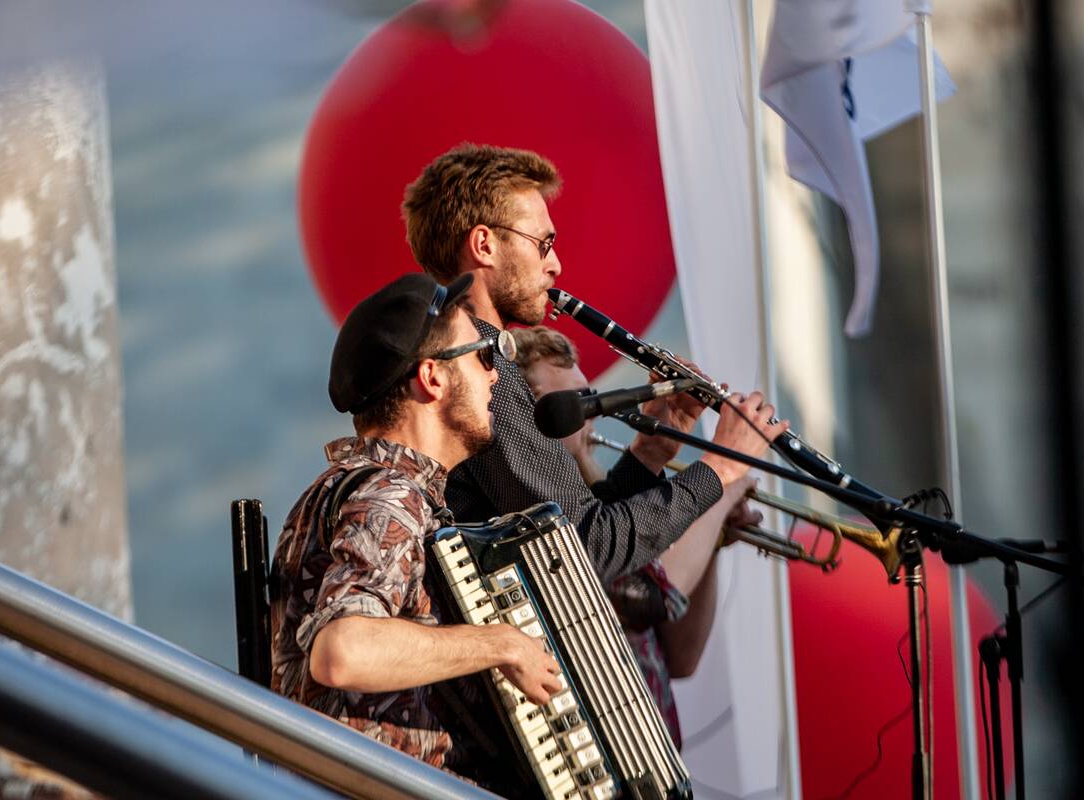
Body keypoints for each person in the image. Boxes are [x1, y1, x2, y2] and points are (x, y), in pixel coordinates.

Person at [400, 143, 787, 582]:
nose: (556, 265)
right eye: (543, 244)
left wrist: (650, 454)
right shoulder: (482, 375)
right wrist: (723, 467)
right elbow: (586, 549)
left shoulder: (480, 363)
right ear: (485, 244)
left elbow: (581, 522)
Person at [268, 272, 561, 785]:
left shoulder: (364, 488)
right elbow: (343, 652)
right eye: (482, 356)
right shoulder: (390, 494)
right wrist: (502, 644)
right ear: (432, 378)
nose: (495, 376)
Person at [511, 325, 754, 747]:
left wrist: (712, 538)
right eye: (574, 402)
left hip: (650, 749)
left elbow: (682, 657)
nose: (591, 415)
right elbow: (647, 594)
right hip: (594, 748)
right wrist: (723, 484)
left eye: (589, 398)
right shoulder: (549, 512)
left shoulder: (603, 502)